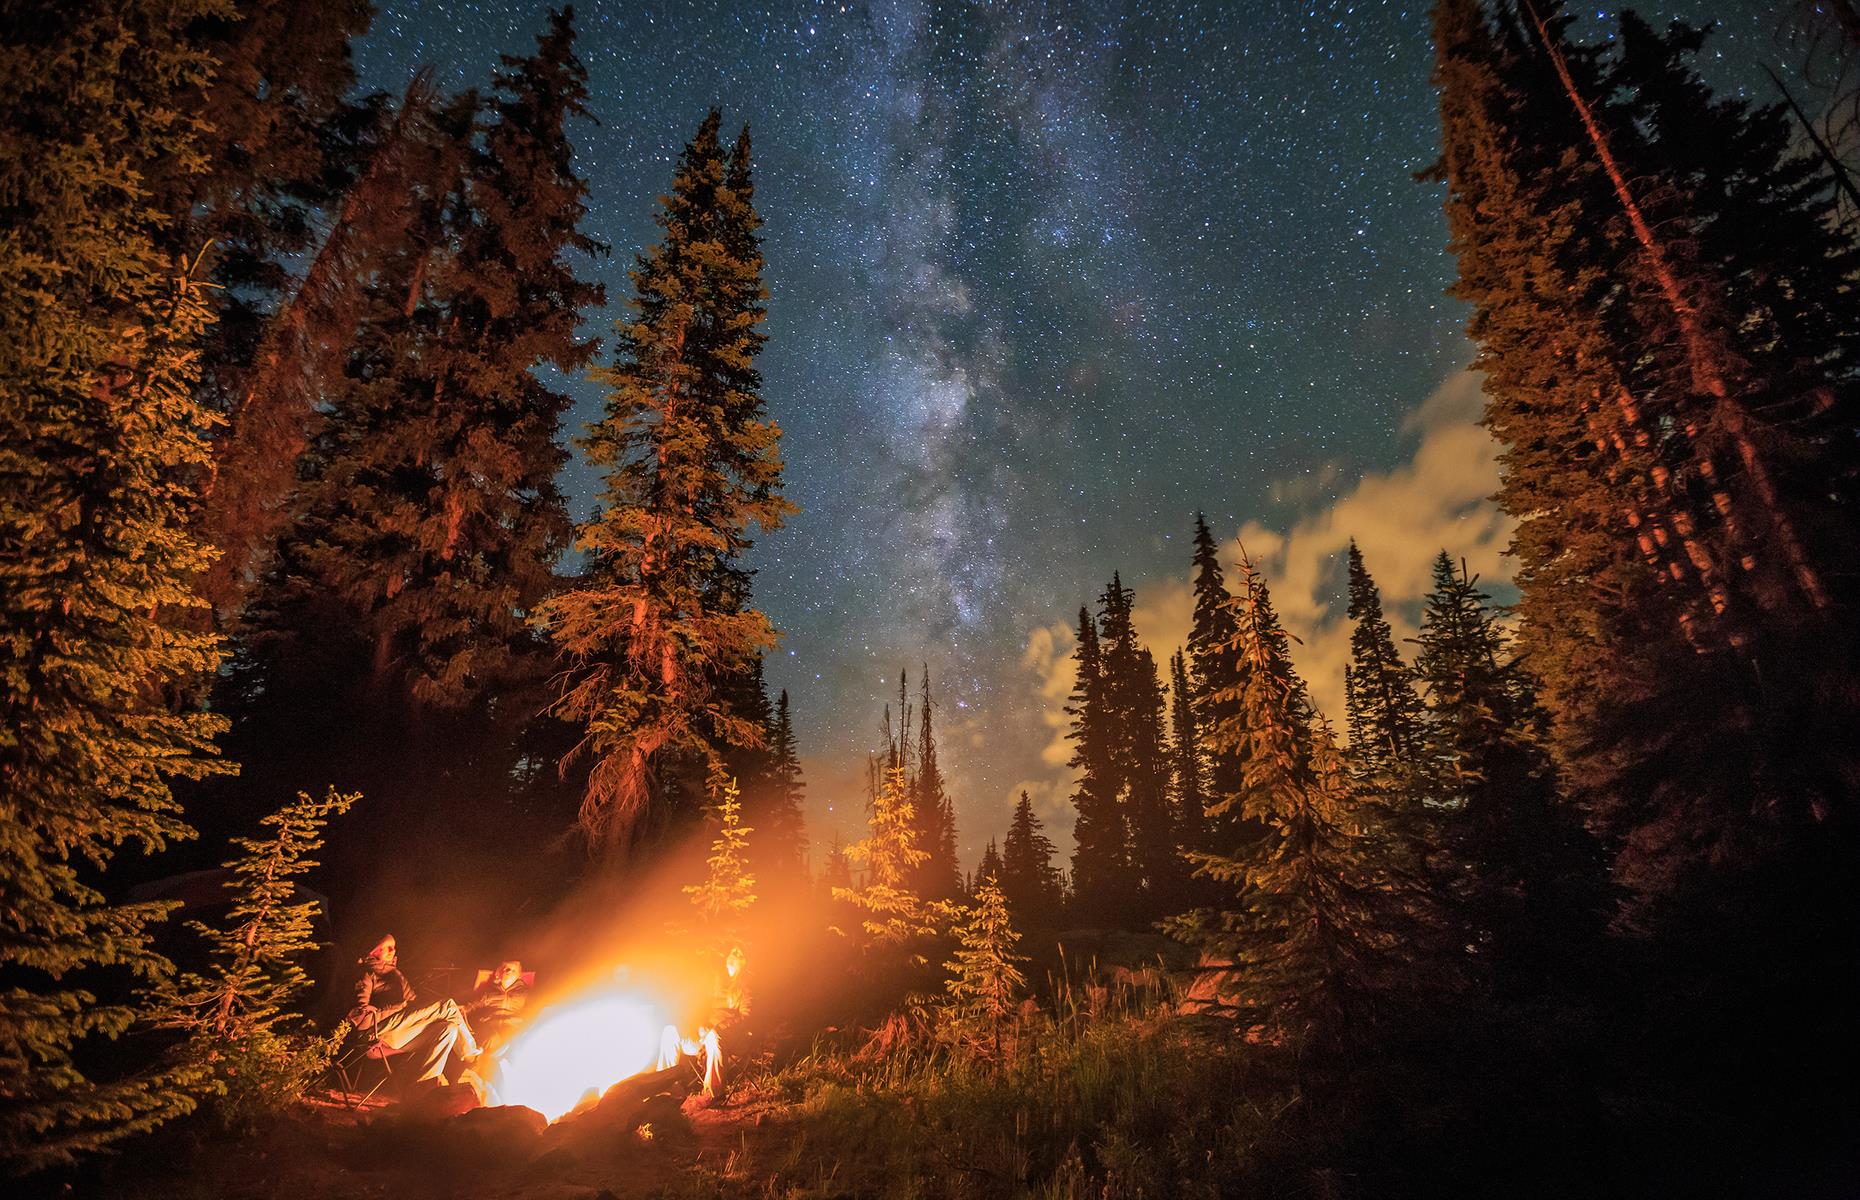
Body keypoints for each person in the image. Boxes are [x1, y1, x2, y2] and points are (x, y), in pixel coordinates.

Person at [347, 934, 481, 1085]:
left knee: (449, 1028)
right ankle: (472, 1056)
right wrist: (395, 1008)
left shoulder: (396, 974)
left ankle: (426, 1083)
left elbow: (415, 1003)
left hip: (400, 1031)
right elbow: (359, 1015)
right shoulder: (366, 973)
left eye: (394, 948)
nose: (393, 951)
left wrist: (452, 1010)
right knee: (447, 1005)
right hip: (376, 1032)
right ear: (374, 951)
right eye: (388, 947)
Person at [656, 944, 750, 1101]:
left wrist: (718, 1028)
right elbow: (702, 1010)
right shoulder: (718, 985)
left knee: (714, 1036)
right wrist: (699, 1026)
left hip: (732, 1039)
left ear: (744, 963)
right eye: (730, 958)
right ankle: (666, 1085)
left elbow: (747, 1017)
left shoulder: (746, 987)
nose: (731, 960)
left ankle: (714, 1093)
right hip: (704, 1037)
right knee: (670, 1031)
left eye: (736, 958)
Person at [465, 959, 531, 1053]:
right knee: (491, 1039)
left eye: (513, 970)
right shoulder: (489, 991)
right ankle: (482, 1064)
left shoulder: (524, 992)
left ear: (519, 975)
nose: (509, 971)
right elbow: (473, 1004)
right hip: (490, 1026)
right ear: (499, 973)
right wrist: (463, 1009)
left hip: (512, 1027)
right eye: (506, 969)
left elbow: (533, 1007)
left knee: (514, 1040)